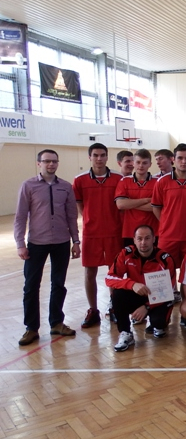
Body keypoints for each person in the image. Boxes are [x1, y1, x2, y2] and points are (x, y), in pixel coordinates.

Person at [15, 149, 80, 346]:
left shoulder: (66, 187)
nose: (51, 164)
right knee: (31, 286)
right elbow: (20, 216)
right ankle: (31, 328)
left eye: (54, 161)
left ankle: (57, 323)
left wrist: (76, 241)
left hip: (61, 242)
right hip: (37, 243)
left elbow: (71, 216)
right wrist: (20, 244)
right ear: (39, 163)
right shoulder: (28, 185)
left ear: (57, 163)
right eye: (46, 161)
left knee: (58, 284)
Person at [73, 142, 123, 328]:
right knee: (89, 272)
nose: (99, 158)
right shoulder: (80, 180)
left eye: (102, 155)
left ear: (107, 157)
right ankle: (93, 310)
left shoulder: (118, 178)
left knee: (114, 272)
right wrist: (90, 219)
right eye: (95, 155)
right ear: (90, 157)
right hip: (91, 233)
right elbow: (80, 206)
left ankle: (115, 307)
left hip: (114, 232)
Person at [105, 224, 176, 351]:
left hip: (159, 297)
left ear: (154, 239)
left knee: (159, 323)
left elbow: (168, 290)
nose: (143, 242)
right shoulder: (126, 253)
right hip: (137, 294)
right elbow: (110, 278)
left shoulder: (165, 259)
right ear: (134, 240)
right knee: (118, 294)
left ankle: (158, 324)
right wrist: (131, 284)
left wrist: (147, 307)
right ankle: (125, 333)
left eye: (147, 238)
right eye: (139, 238)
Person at [115, 149, 159, 247]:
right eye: (138, 162)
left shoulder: (158, 182)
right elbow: (121, 205)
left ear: (150, 164)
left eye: (144, 163)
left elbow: (156, 207)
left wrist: (130, 203)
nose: (141, 166)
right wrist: (146, 200)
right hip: (130, 232)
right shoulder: (124, 181)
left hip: (153, 231)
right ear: (133, 163)